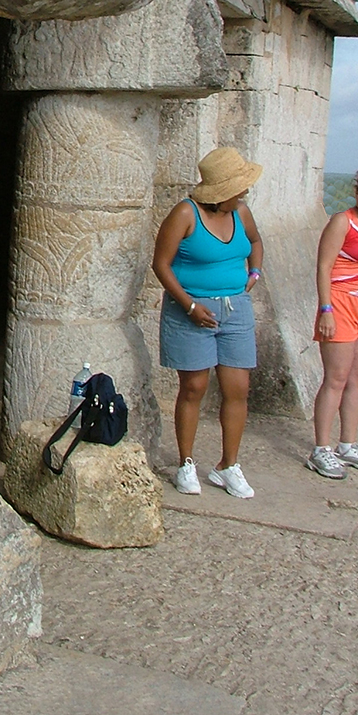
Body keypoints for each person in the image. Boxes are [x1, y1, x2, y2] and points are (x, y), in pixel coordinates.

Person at [152, 147, 264, 499]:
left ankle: (228, 465)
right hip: (191, 311)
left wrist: (255, 272)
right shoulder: (185, 214)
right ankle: (186, 462)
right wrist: (189, 305)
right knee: (194, 387)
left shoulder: (241, 213)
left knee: (237, 389)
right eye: (239, 187)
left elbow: (256, 242)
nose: (244, 193)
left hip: (235, 309)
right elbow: (161, 263)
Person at [305, 168, 358, 479]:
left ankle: (348, 444)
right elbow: (324, 266)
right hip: (338, 303)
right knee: (336, 378)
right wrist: (325, 309)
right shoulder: (343, 221)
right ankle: (321, 449)